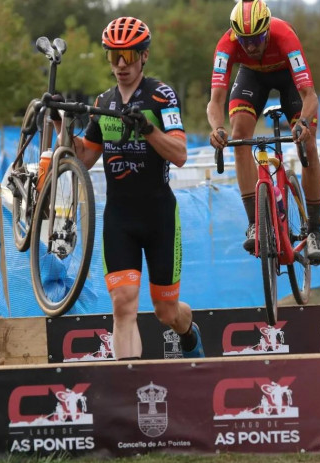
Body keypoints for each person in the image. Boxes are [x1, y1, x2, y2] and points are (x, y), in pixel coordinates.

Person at [52, 17, 204, 360]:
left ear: (144, 56)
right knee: (123, 305)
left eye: (130, 55)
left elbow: (180, 155)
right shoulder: (104, 103)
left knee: (166, 312)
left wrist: (148, 130)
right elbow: (85, 157)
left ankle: (188, 331)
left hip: (159, 216)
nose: (121, 64)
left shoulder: (161, 96)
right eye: (113, 56)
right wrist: (59, 121)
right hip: (120, 217)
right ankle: (129, 385)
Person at [206, 0, 320, 264]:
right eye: (244, 40)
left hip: (288, 78)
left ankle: (315, 230)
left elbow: (310, 95)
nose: (250, 46)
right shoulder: (226, 45)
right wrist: (216, 129)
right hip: (252, 78)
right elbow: (215, 101)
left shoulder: (285, 36)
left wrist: (303, 123)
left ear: (268, 31)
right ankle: (254, 223)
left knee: (308, 144)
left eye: (257, 38)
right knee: (238, 138)